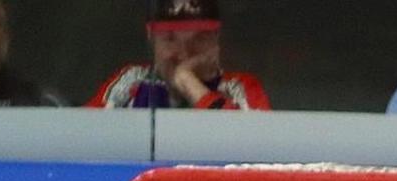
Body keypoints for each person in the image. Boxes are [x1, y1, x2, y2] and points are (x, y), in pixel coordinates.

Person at [88, 0, 268, 110]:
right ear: (152, 39)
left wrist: (188, 82)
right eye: (170, 39)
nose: (184, 53)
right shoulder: (132, 80)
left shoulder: (238, 87)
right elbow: (83, 133)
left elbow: (251, 145)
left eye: (200, 38)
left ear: (216, 40)